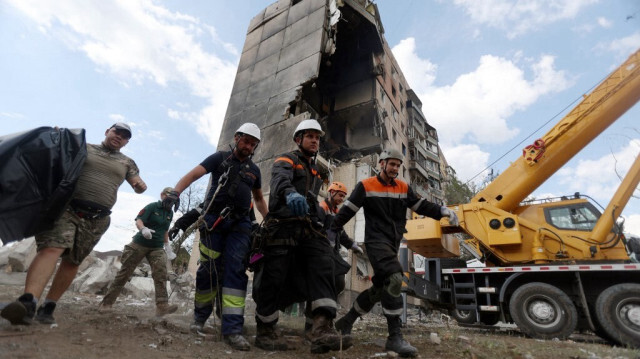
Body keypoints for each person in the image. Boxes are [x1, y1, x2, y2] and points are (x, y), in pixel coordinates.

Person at [1, 123, 147, 325]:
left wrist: (140, 186)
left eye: (124, 136)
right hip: (66, 210)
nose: (119, 137)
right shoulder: (82, 147)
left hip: (98, 218)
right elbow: (54, 156)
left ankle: (49, 306)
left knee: (73, 261)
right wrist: (56, 138)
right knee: (52, 248)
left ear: (126, 142)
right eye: (116, 132)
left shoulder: (127, 162)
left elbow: (137, 184)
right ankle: (28, 303)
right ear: (107, 131)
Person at [329, 147, 459, 358]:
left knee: (380, 288)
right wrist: (332, 232)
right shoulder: (365, 185)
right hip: (375, 242)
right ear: (381, 164)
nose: (395, 169)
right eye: (391, 164)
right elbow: (347, 211)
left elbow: (421, 205)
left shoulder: (403, 187)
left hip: (392, 243)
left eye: (398, 166)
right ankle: (394, 337)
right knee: (395, 278)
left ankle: (347, 321)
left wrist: (442, 211)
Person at [165, 123, 267, 351]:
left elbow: (259, 199)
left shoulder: (254, 171)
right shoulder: (219, 159)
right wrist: (175, 191)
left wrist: (268, 221)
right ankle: (199, 319)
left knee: (235, 272)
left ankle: (232, 330)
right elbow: (193, 175)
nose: (249, 146)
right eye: (246, 141)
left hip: (240, 225)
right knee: (209, 270)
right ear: (237, 137)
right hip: (214, 222)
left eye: (253, 144)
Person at [253, 119, 346, 354]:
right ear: (298, 139)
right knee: (273, 278)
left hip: (306, 229)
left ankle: (322, 328)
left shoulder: (314, 171)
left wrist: (320, 216)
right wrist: (290, 194)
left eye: (318, 137)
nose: (315, 141)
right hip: (282, 228)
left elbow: (312, 199)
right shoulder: (286, 160)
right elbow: (280, 182)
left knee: (328, 265)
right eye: (310, 136)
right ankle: (265, 331)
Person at [99, 187, 178, 316]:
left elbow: (164, 231)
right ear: (163, 195)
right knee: (125, 273)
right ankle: (106, 303)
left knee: (160, 273)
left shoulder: (170, 213)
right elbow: (139, 219)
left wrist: (167, 247)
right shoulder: (152, 206)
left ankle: (162, 306)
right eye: (169, 197)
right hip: (139, 243)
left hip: (157, 247)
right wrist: (143, 229)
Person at [303, 181, 363, 338]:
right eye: (339, 195)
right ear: (331, 193)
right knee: (324, 288)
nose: (341, 199)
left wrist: (352, 245)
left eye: (344, 196)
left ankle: (323, 321)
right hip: (320, 255)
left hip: (331, 256)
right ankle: (313, 325)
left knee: (337, 284)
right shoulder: (322, 209)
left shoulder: (336, 213)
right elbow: (317, 229)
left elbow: (340, 235)